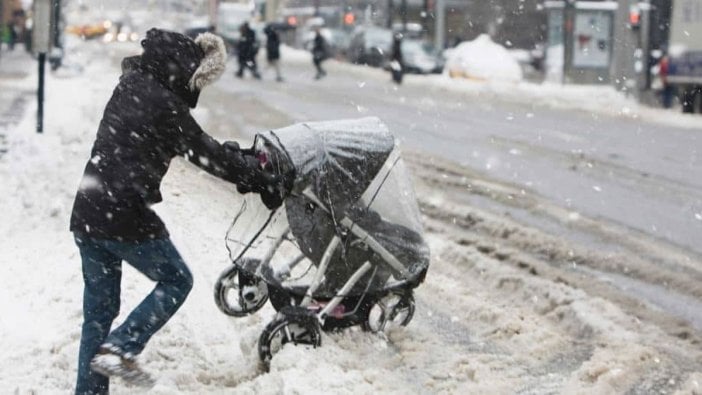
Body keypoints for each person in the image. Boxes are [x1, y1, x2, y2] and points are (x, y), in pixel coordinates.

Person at [70, 28, 282, 394]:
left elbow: (199, 144)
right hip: (124, 213)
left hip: (89, 210)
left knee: (99, 315)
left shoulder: (131, 84)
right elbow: (205, 153)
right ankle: (121, 348)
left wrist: (239, 159)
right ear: (183, 70)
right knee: (176, 280)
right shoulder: (165, 105)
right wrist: (257, 177)